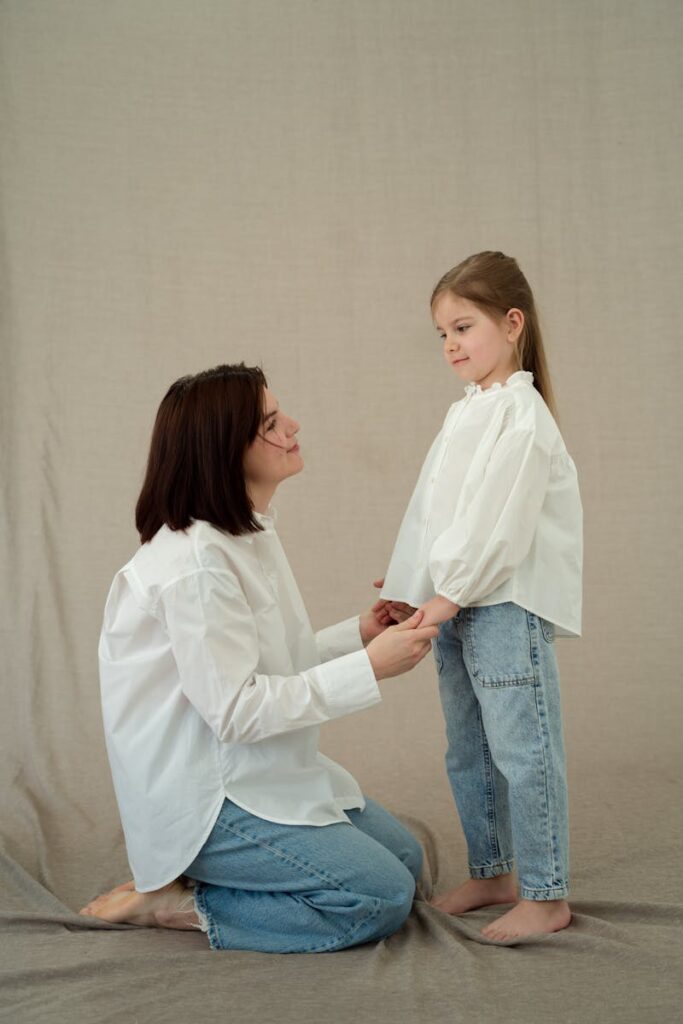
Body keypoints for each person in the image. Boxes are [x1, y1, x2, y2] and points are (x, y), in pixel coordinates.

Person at [79, 363, 436, 953]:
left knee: (406, 859)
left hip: (256, 769)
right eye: (271, 423)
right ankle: (182, 903)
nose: (293, 426)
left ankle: (207, 880)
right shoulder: (194, 565)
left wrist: (360, 636)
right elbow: (239, 711)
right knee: (380, 898)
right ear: (226, 450)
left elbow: (264, 666)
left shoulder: (243, 533)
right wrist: (371, 669)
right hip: (207, 797)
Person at [379, 251, 583, 941]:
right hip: (453, 604)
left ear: (512, 323)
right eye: (441, 334)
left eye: (462, 327)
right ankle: (492, 869)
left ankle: (545, 891)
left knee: (522, 749)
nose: (450, 345)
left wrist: (449, 593)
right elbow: (434, 514)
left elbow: (500, 527)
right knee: (467, 747)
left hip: (500, 604)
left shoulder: (521, 417)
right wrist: (411, 589)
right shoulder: (465, 414)